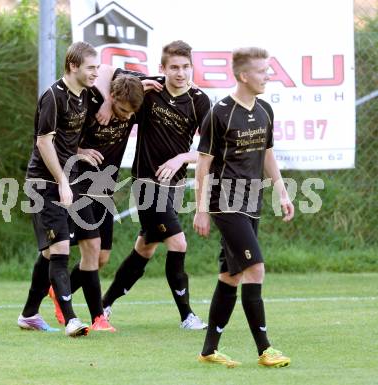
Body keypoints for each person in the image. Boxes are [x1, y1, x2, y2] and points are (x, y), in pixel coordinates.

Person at [193, 47, 294, 367]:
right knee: (255, 268)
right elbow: (202, 165)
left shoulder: (264, 110)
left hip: (252, 202)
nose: (268, 75)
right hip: (225, 203)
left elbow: (266, 154)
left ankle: (209, 351)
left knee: (230, 275)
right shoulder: (220, 113)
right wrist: (200, 209)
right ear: (243, 75)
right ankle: (265, 349)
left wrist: (282, 191)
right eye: (263, 71)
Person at [100, 40, 210, 330]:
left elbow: (208, 152)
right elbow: (105, 71)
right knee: (178, 242)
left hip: (173, 186)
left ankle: (101, 306)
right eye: (174, 67)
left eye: (186, 67)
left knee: (144, 249)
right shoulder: (149, 89)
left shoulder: (200, 101)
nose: (180, 73)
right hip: (147, 183)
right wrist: (108, 99)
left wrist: (179, 159)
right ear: (162, 68)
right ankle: (187, 316)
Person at [48, 74, 150, 331]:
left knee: (102, 257)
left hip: (105, 190)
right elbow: (59, 141)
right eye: (122, 110)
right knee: (84, 248)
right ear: (112, 97)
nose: (127, 118)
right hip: (79, 185)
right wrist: (81, 151)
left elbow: (171, 79)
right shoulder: (92, 108)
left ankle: (61, 289)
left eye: (131, 113)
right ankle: (91, 314)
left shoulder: (131, 106)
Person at [17, 41, 99, 337]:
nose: (95, 73)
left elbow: (66, 138)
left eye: (97, 67)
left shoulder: (84, 95)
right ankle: (72, 320)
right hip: (44, 184)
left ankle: (28, 315)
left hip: (65, 180)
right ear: (73, 66)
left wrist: (82, 149)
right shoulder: (53, 96)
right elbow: (43, 142)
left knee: (52, 253)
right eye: (91, 67)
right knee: (61, 248)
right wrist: (63, 182)